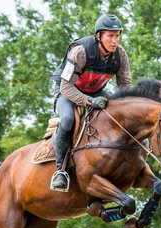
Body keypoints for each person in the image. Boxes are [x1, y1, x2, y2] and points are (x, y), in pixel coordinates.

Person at [49, 13, 133, 191]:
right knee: (67, 120)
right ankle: (60, 171)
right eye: (110, 36)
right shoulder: (80, 51)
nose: (114, 40)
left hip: (95, 91)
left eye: (117, 35)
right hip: (66, 91)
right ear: (98, 36)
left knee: (115, 114)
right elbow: (66, 87)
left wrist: (129, 108)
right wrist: (89, 101)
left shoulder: (120, 55)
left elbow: (125, 86)